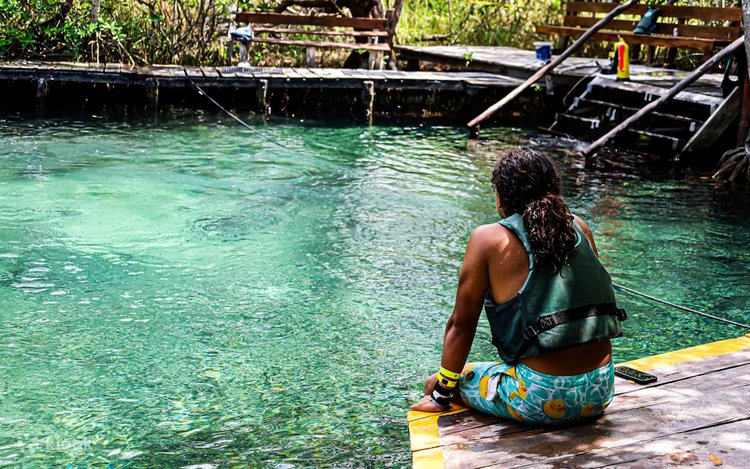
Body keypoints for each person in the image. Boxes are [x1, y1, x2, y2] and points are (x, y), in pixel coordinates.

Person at [410, 148, 626, 425]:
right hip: (600, 391)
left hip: (540, 398)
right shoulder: (579, 227)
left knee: (435, 383)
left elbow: (461, 325)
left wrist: (441, 395)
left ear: (501, 197)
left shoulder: (488, 239)